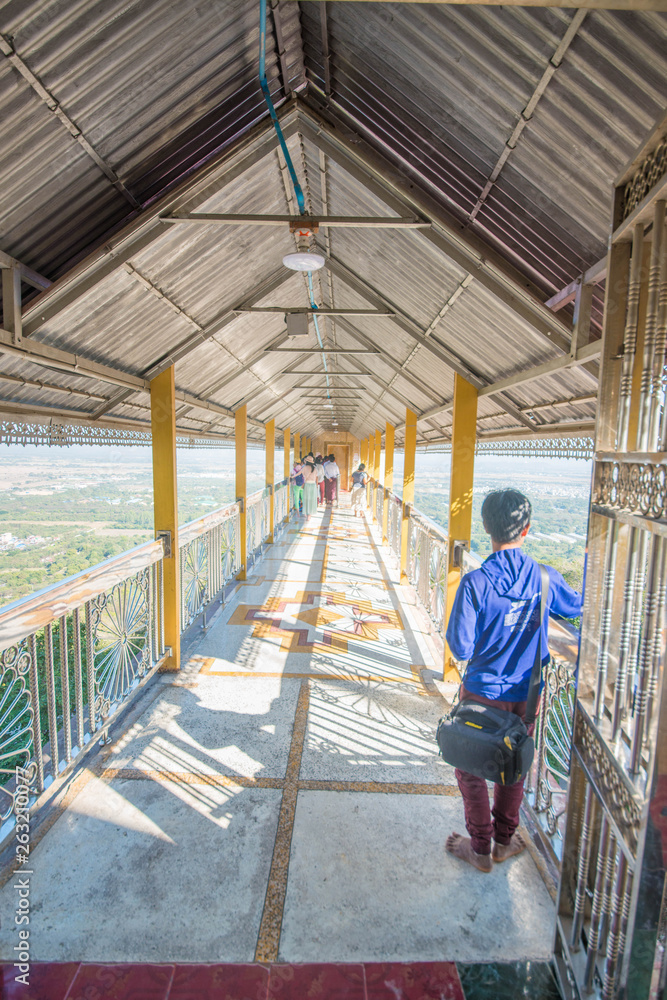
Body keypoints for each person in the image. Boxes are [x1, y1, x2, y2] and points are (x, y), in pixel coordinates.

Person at [444, 489, 582, 873]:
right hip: (528, 693)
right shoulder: (545, 577)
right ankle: (504, 841)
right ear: (527, 530)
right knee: (514, 762)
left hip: (482, 692)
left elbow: (461, 645)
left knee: (470, 765)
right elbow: (577, 607)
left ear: (485, 527)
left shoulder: (476, 583)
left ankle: (480, 846)